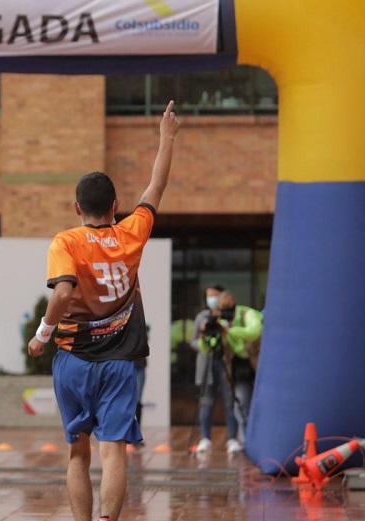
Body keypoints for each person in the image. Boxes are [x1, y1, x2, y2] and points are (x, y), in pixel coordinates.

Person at [28, 100, 181, 521]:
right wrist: (166, 138)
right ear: (115, 205)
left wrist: (42, 335)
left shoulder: (66, 242)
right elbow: (156, 187)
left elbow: (60, 295)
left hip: (73, 361)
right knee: (114, 451)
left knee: (78, 453)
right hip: (118, 364)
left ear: (77, 208)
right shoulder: (132, 232)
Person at [190, 283, 242, 455]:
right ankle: (205, 438)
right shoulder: (202, 317)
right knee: (206, 401)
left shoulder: (229, 315)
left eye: (214, 295)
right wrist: (203, 341)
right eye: (208, 295)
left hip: (225, 361)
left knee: (229, 401)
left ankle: (232, 439)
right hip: (207, 363)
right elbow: (193, 341)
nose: (211, 299)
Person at [215, 290, 263, 447]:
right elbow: (208, 346)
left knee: (260, 404)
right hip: (237, 368)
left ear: (234, 302)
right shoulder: (221, 322)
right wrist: (206, 335)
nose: (226, 310)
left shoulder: (247, 314)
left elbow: (254, 332)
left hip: (259, 365)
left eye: (228, 306)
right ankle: (246, 441)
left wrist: (230, 331)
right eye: (222, 307)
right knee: (241, 404)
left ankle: (258, 439)